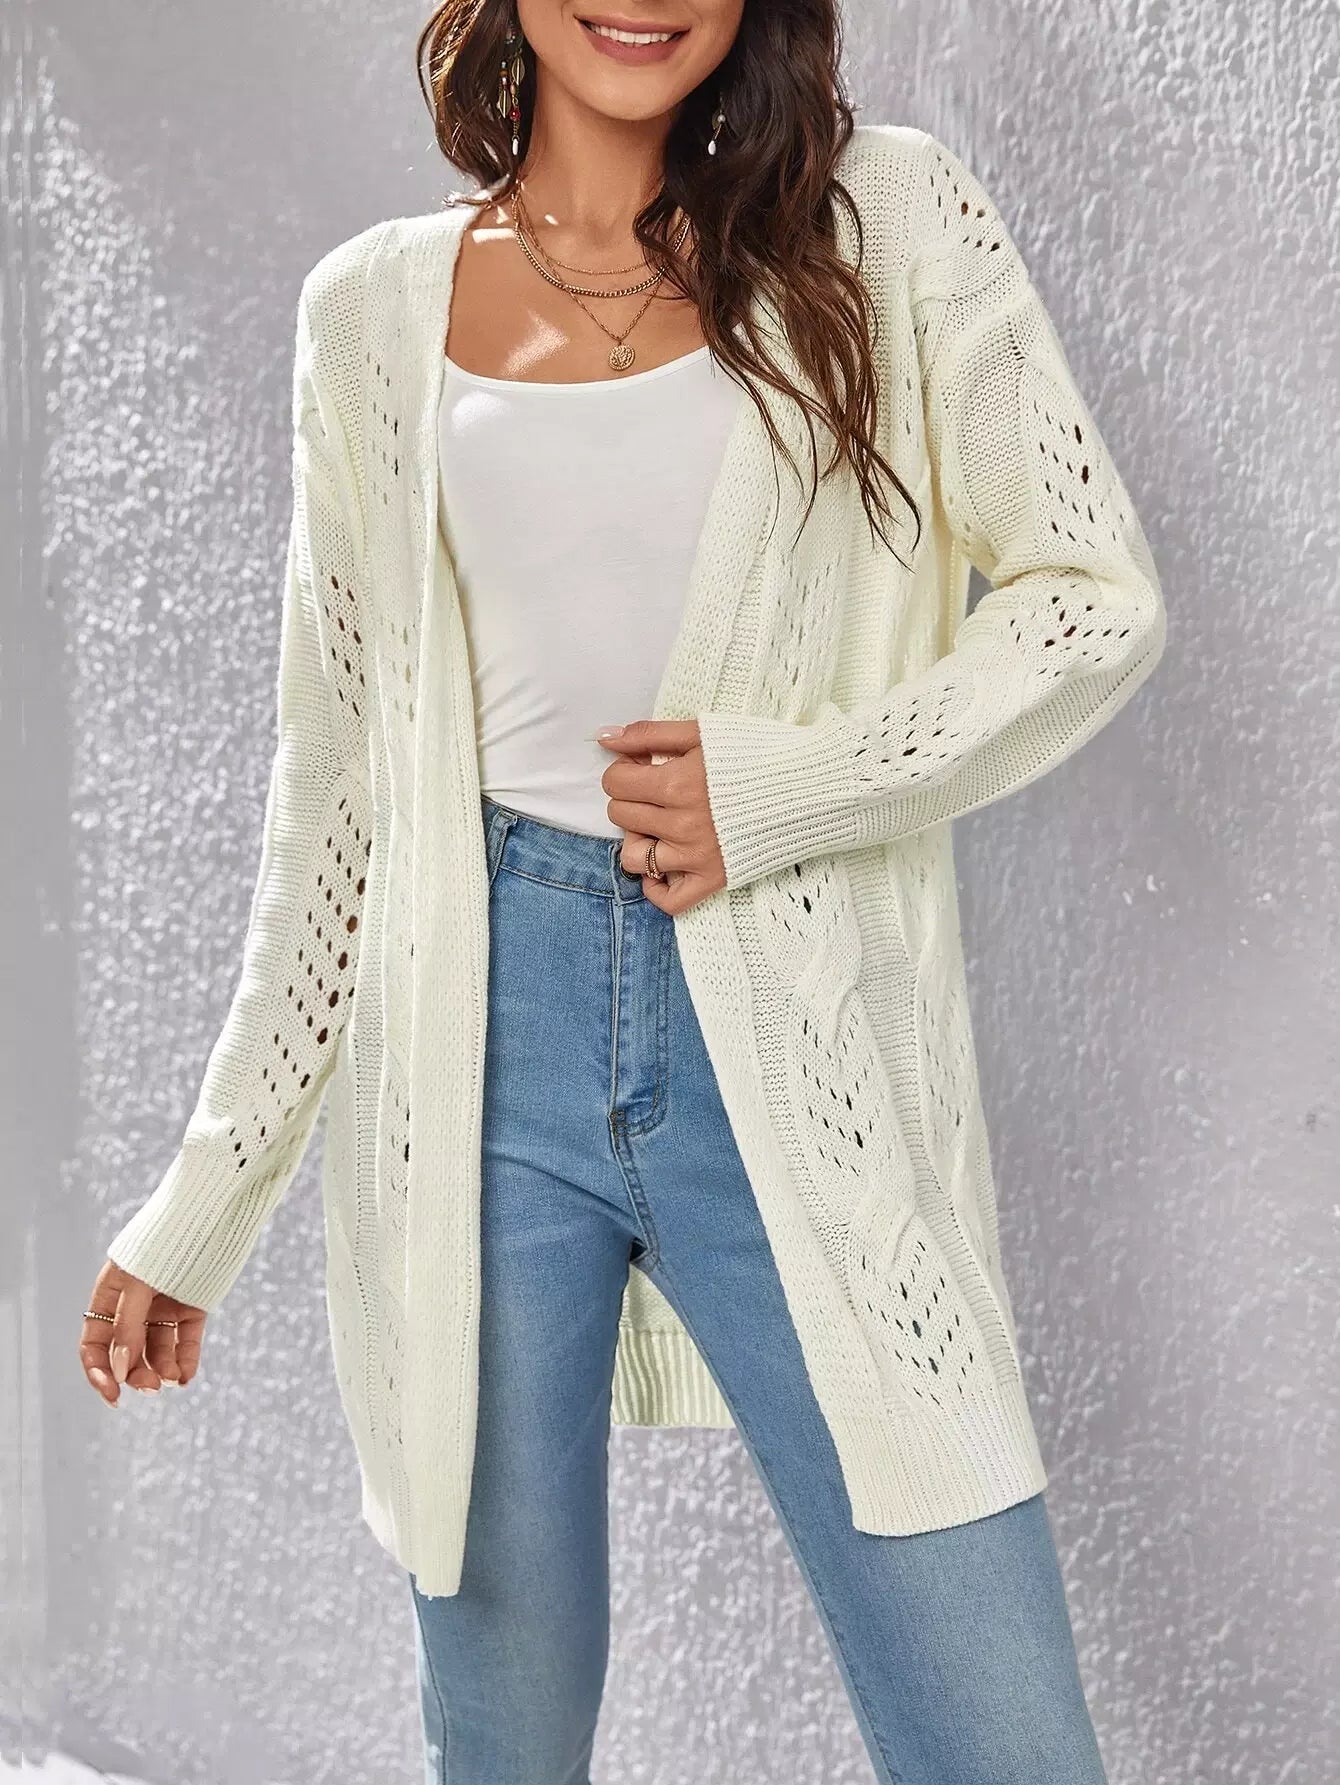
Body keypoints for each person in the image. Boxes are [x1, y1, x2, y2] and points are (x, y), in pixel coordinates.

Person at [80, 2, 1168, 1780]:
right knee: (503, 1740)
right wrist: (204, 1198)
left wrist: (790, 786)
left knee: (1004, 1737)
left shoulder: (887, 222)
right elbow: (337, 802)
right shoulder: (370, 314)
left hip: (792, 1035)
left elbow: (1089, 599)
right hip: (477, 1068)